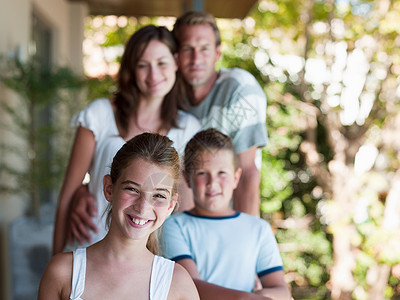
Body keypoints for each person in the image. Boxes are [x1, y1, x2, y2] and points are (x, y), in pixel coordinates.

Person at [52, 25, 201, 255]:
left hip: (149, 260)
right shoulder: (99, 114)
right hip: (89, 247)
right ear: (131, 69)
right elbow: (67, 196)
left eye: (161, 63)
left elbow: (185, 209)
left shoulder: (187, 127)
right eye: (143, 65)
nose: (153, 75)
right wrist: (56, 263)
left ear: (176, 62)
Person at [39, 133, 200, 300]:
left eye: (159, 195)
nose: (143, 207)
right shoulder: (63, 273)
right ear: (109, 188)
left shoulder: (178, 285)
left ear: (171, 205)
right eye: (132, 189)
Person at [160, 129, 291, 300]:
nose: (212, 183)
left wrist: (257, 296)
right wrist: (245, 298)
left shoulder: (258, 229)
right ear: (187, 178)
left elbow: (281, 290)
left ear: (236, 178)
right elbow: (191, 286)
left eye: (222, 173)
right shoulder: (173, 226)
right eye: (201, 173)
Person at [173, 11, 268, 217]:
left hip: (226, 217)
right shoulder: (169, 94)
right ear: (177, 56)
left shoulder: (240, 90)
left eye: (204, 49)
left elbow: (247, 174)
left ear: (217, 53)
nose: (196, 58)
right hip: (179, 221)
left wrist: (244, 237)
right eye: (188, 49)